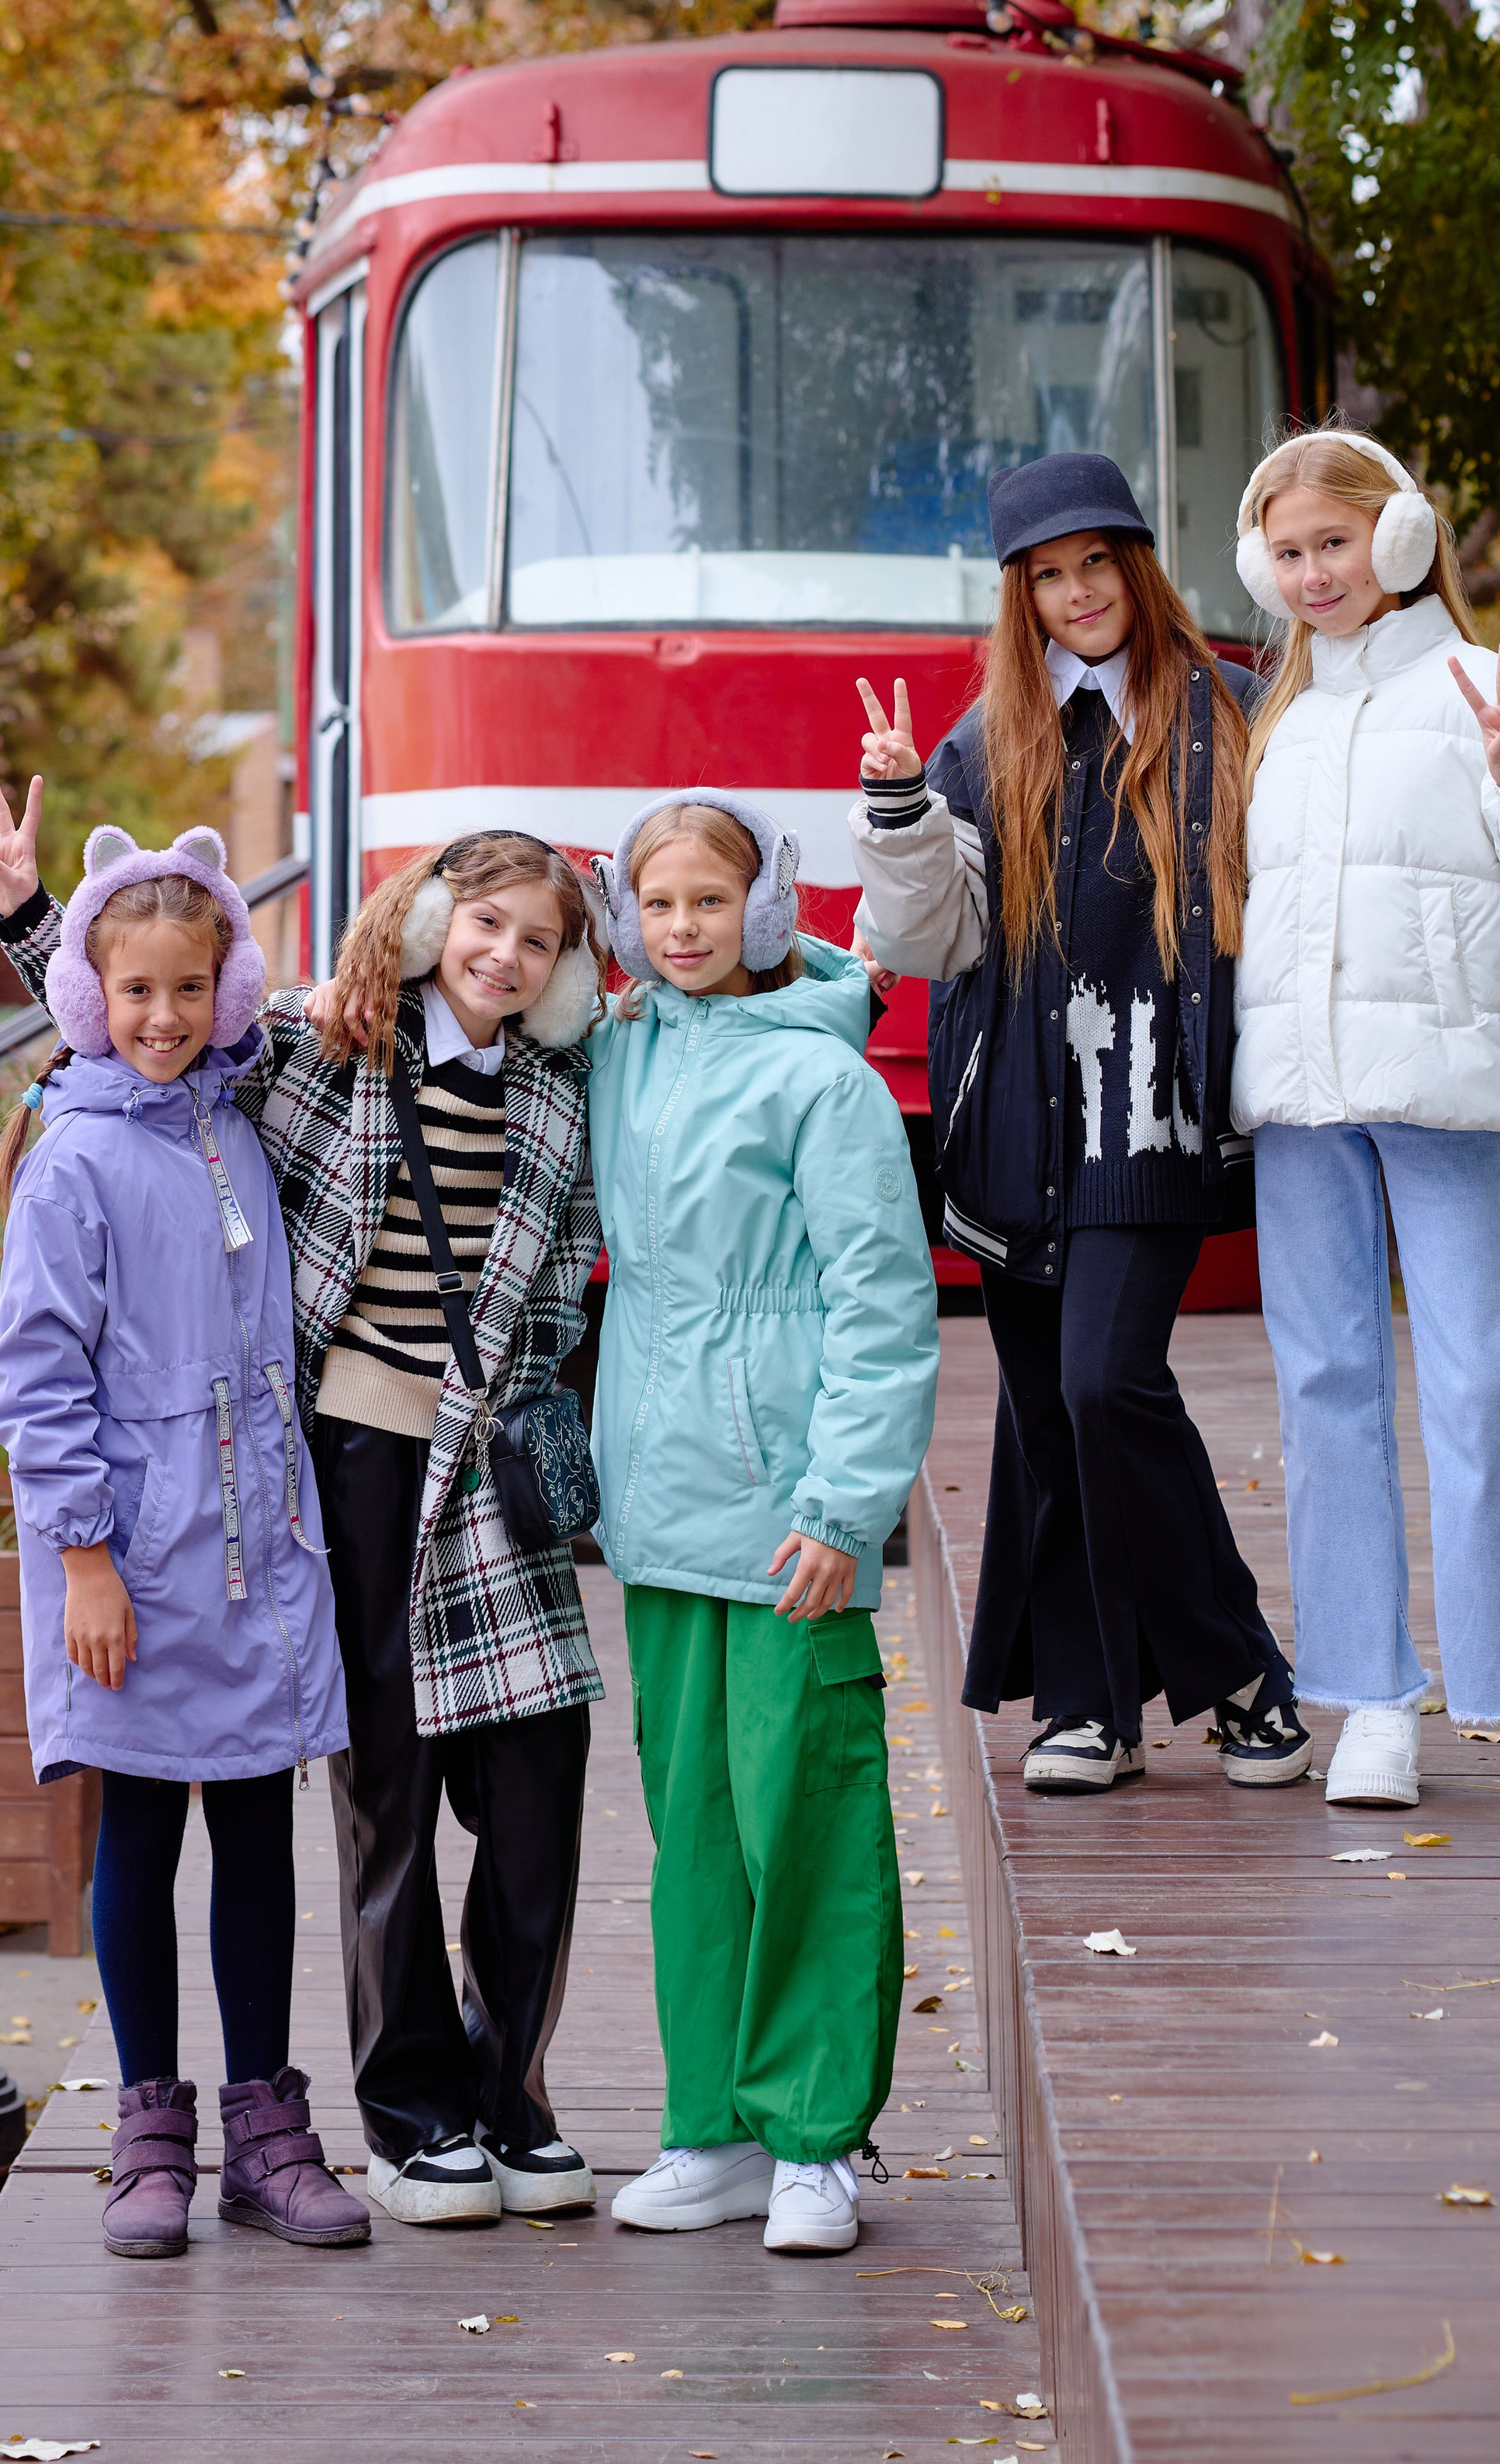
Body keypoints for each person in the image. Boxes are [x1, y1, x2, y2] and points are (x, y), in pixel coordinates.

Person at [0, 783, 609, 2223]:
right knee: (358, 1784)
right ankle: (350, 2114)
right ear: (439, 922)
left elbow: (178, 1019)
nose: (504, 954)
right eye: (483, 922)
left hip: (425, 1484)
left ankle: (482, 2091)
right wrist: (26, 918)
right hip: (337, 1466)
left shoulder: (570, 1078)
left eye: (538, 938)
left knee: (516, 1780)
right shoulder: (333, 1054)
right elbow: (143, 1017)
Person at [849, 451, 1310, 1798]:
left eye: (1095, 563)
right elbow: (930, 935)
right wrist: (896, 807)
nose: (1077, 593)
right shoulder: (982, 738)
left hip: (1148, 1118)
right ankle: (1088, 1701)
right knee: (1048, 1415)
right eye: (1046, 576)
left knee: (1110, 1382)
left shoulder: (1227, 710)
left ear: (1136, 564)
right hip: (1010, 1126)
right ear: (1021, 596)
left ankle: (1237, 1672)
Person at [1231, 429, 1500, 1812]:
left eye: (1333, 543)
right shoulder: (1277, 720)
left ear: (1398, 539)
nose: (1312, 572)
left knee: (1476, 1380)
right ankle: (1367, 1695)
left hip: (1439, 1086)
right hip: (1301, 1100)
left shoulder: (1477, 686)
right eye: (1286, 553)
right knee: (1326, 1389)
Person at [0, 822, 364, 2261]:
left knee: (258, 1825)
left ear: (227, 988)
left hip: (257, 1544)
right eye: (132, 991)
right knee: (140, 1830)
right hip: (132, 1561)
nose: (162, 1016)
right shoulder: (74, 1154)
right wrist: (84, 1553)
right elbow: (36, 1373)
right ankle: (152, 2128)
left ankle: (268, 2124)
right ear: (91, 996)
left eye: (188, 990)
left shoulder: (237, 1114)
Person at [582, 794, 940, 2259]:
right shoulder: (612, 1050)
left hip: (795, 1510)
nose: (682, 929)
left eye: (710, 902)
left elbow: (882, 1302)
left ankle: (813, 2138)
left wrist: (848, 1503)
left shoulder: (824, 1082)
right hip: (660, 1511)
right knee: (695, 1832)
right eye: (656, 904)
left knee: (810, 1810)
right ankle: (712, 2128)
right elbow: (454, 970)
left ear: (769, 909)